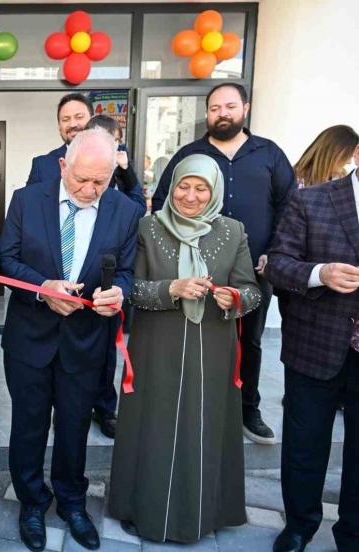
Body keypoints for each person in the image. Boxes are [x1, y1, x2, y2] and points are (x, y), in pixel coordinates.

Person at [0, 128, 144, 551]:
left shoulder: (124, 210)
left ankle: (71, 501)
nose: (89, 190)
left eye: (100, 181)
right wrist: (42, 287)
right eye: (82, 179)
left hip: (86, 340)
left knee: (75, 426)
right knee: (28, 426)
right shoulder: (27, 200)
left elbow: (127, 272)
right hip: (30, 338)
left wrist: (118, 294)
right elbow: (6, 260)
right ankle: (31, 502)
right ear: (63, 166)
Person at [109, 154, 261, 543]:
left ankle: (205, 514)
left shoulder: (233, 231)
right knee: (153, 427)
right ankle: (142, 509)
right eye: (183, 186)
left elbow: (251, 290)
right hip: (156, 347)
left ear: (215, 192)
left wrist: (234, 298)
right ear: (172, 185)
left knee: (204, 426)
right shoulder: (148, 227)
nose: (190, 196)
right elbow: (131, 290)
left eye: (201, 188)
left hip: (213, 348)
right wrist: (171, 288)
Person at [151, 82, 296, 444]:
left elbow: (290, 208)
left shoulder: (269, 154)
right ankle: (191, 405)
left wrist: (276, 251)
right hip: (191, 268)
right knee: (190, 338)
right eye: (215, 108)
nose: (222, 114)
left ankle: (247, 408)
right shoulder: (189, 154)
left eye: (230, 106)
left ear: (245, 108)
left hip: (253, 269)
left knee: (250, 341)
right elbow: (162, 203)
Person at [265, 172, 359, 552]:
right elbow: (276, 265)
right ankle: (299, 526)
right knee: (304, 446)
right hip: (315, 346)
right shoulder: (311, 200)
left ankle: (353, 535)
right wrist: (320, 273)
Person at [82, 114, 146, 438]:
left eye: (113, 140)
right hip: (76, 274)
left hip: (110, 274)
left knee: (107, 351)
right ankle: (70, 407)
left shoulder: (122, 172)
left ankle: (105, 408)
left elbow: (138, 207)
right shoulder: (76, 165)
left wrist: (125, 169)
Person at [25, 93, 93, 187]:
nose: (72, 124)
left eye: (79, 117)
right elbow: (29, 196)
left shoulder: (111, 159)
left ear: (93, 120)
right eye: (65, 119)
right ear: (59, 127)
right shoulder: (42, 165)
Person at [294, 125, 359, 187]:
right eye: (346, 155)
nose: (349, 162)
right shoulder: (294, 180)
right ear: (331, 152)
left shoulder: (343, 179)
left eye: (351, 156)